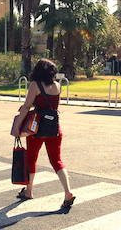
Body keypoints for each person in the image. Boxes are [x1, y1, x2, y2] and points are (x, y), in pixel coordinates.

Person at [12, 58, 75, 211]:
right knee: (57, 160)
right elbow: (48, 104)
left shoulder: (35, 85)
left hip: (36, 128)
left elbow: (27, 107)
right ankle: (68, 192)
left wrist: (17, 127)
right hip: (54, 128)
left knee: (31, 158)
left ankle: (29, 190)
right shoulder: (57, 86)